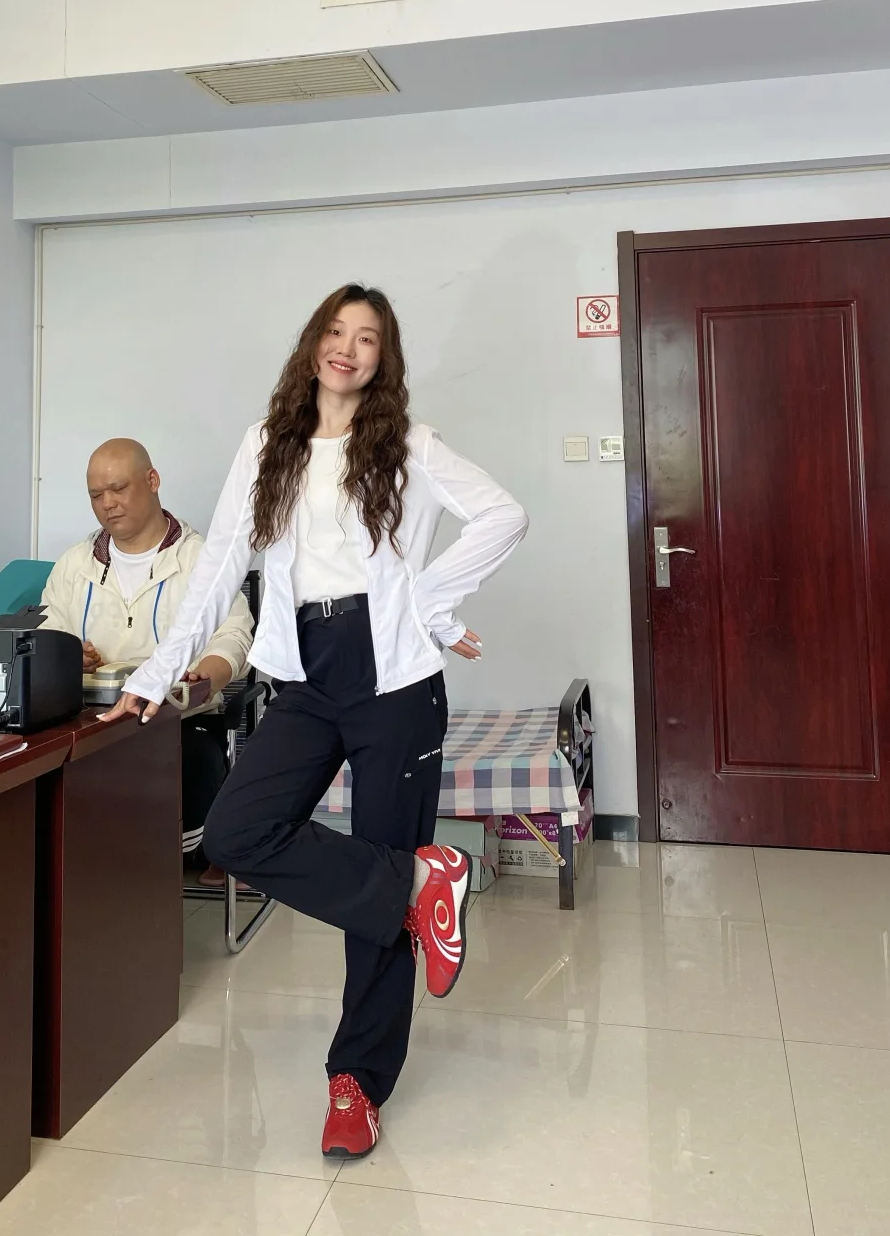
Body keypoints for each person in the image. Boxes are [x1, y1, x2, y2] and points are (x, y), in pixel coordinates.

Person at [101, 287, 528, 1160]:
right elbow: (222, 563)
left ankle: (356, 1084)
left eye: (368, 338)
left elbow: (503, 515)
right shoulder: (270, 444)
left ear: (383, 358)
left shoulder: (409, 445)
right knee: (237, 829)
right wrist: (154, 674)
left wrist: (430, 602)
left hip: (395, 679)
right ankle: (421, 882)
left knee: (379, 866)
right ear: (313, 344)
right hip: (304, 670)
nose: (348, 347)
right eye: (337, 331)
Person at [41, 438, 253, 870]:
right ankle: (82, 876)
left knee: (187, 764)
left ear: (153, 480)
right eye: (96, 495)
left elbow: (234, 635)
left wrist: (205, 676)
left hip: (177, 722)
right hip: (90, 722)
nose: (108, 504)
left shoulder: (201, 558)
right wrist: (65, 656)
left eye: (118, 489)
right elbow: (47, 632)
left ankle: (150, 874)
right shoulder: (75, 564)